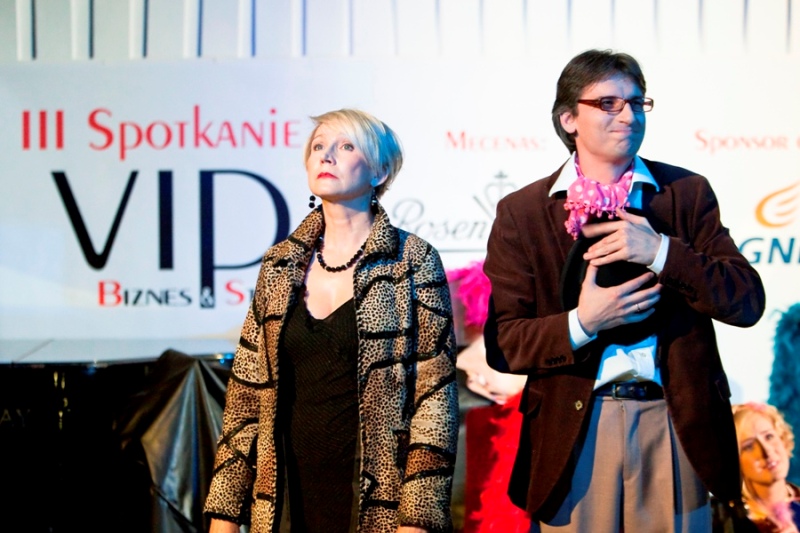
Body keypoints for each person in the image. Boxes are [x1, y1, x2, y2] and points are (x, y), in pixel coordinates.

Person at [483, 49, 766, 532]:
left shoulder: (686, 193)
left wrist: (661, 251)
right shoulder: (523, 211)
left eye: (637, 103)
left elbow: (746, 301)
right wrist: (584, 322)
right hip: (575, 426)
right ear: (569, 119)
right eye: (608, 104)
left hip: (673, 422)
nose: (629, 116)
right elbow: (504, 343)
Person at [203, 109, 459, 533]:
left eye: (346, 146)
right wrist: (224, 517)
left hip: (375, 507)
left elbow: (435, 400)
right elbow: (245, 400)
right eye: (318, 146)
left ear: (379, 171)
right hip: (285, 502)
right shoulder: (279, 265)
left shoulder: (412, 261)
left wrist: (418, 520)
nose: (326, 156)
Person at [732, 403, 800, 532]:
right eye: (749, 446)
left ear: (782, 438)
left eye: (769, 436)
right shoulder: (728, 521)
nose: (766, 451)